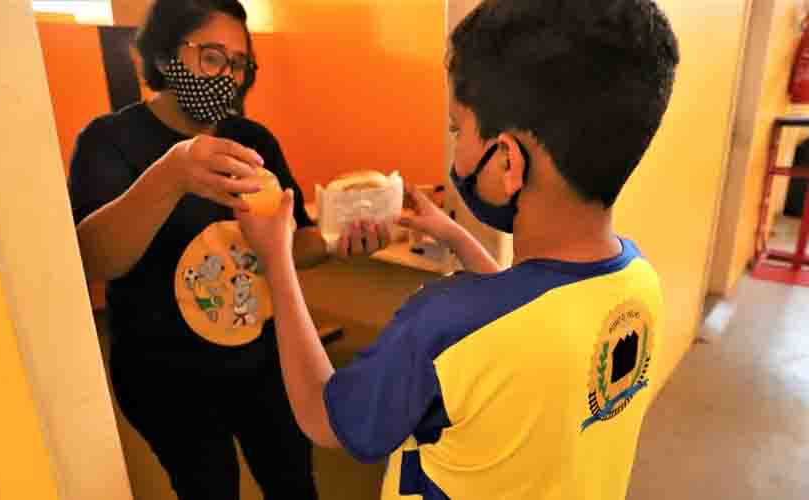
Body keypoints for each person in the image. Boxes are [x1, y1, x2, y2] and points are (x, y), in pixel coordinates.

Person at [235, 0, 680, 498]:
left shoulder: (442, 321)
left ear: (508, 160)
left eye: (457, 129)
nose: (455, 147)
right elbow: (523, 320)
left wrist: (277, 260)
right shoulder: (641, 281)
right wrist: (454, 235)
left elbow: (324, 416)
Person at [68, 1, 388, 498]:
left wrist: (333, 242)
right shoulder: (110, 141)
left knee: (294, 483)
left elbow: (290, 242)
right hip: (167, 378)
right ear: (164, 53)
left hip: (262, 362)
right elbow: (97, 259)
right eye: (212, 57)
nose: (227, 76)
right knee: (209, 488)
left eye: (238, 64)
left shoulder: (251, 138)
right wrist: (171, 176)